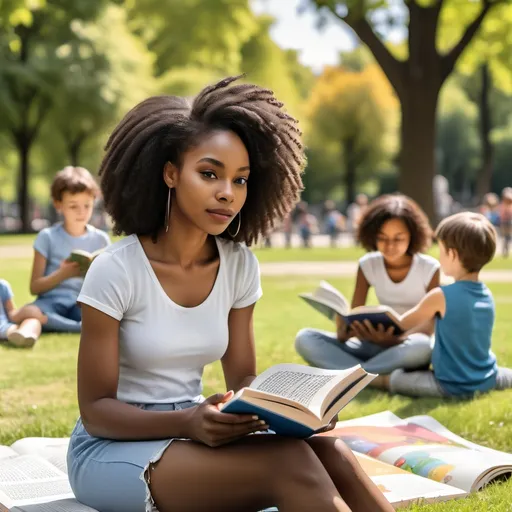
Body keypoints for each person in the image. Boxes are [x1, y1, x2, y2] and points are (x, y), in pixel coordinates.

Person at [67, 76, 393, 512]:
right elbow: (97, 412)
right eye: (209, 173)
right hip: (110, 448)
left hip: (193, 425)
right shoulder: (115, 269)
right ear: (170, 173)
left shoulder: (239, 265)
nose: (227, 192)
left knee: (332, 450)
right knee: (286, 466)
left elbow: (242, 382)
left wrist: (298, 415)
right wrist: (188, 421)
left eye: (240, 180)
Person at [295, 194, 440, 375]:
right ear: (372, 236)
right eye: (382, 238)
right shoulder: (368, 264)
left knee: (422, 347)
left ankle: (356, 374)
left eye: (398, 239)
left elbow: (430, 325)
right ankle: (370, 374)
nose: (389, 246)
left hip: (407, 345)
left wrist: (395, 341)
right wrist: (346, 330)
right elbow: (357, 312)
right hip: (371, 345)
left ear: (413, 236)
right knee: (305, 338)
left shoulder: (430, 268)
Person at [371, 212, 512, 398]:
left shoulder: (441, 296)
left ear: (452, 254)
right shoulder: (486, 294)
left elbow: (402, 323)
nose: (439, 256)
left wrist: (376, 314)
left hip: (449, 385)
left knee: (396, 379)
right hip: (487, 378)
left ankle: (363, 378)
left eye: (441, 250)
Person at [28, 166, 110, 333]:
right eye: (73, 206)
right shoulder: (47, 237)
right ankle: (76, 328)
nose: (81, 212)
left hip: (81, 303)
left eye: (87, 205)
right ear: (58, 204)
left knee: (104, 316)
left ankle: (55, 324)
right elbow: (34, 287)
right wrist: (63, 274)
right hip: (50, 302)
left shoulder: (101, 240)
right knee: (31, 312)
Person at [0, 279, 47, 348]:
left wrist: (28, 311)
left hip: (4, 327)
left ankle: (24, 335)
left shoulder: (2, 286)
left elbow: (12, 314)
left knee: (33, 321)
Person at [499, 187, 512, 258]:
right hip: (504, 221)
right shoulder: (502, 205)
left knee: (507, 237)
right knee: (505, 238)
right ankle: (504, 251)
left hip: (509, 221)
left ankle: (506, 251)